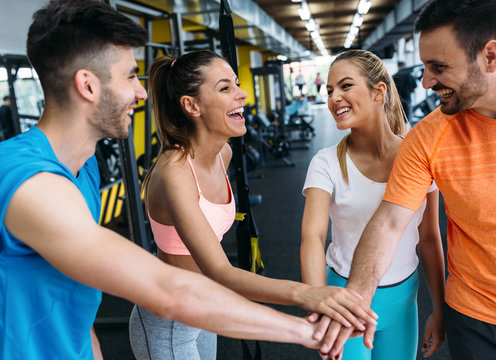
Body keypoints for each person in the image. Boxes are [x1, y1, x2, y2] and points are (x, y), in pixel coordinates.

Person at [0, 1, 350, 358]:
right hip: (172, 318)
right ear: (88, 86)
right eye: (130, 76)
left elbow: (72, 299)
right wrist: (307, 315)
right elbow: (170, 292)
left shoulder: (84, 165)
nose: (141, 92)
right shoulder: (32, 183)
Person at [319, 1, 496, 359]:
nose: (425, 81)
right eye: (424, 66)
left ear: (490, 56)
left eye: (438, 67)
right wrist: (355, 300)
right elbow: (389, 223)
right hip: (477, 319)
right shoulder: (428, 137)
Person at [128, 50, 377, 360]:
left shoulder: (224, 155)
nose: (242, 94)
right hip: (168, 321)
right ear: (191, 105)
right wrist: (307, 294)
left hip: (203, 307)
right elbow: (219, 271)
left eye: (236, 83)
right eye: (225, 88)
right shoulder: (174, 172)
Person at [301, 49, 445, 360]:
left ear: (379, 91)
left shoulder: (419, 157)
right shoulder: (325, 163)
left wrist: (440, 308)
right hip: (344, 298)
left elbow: (430, 238)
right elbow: (312, 237)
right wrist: (319, 302)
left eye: (345, 86)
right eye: (329, 91)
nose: (334, 97)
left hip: (404, 299)